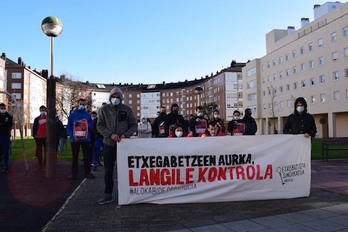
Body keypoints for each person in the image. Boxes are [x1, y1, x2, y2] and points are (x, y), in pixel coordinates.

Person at [97, 86, 137, 205]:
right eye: (113, 97)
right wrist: (110, 134)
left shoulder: (127, 109)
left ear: (121, 98)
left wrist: (126, 135)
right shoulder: (103, 110)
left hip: (123, 146)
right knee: (108, 171)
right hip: (108, 145)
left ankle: (125, 193)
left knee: (124, 171)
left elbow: (133, 125)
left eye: (118, 97)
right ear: (110, 97)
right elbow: (99, 125)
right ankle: (108, 194)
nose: (115, 99)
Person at [67, 98, 95, 180]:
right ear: (77, 104)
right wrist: (72, 137)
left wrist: (86, 124)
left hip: (85, 139)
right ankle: (74, 174)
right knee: (75, 157)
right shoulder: (72, 115)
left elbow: (91, 126)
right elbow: (69, 127)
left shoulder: (87, 115)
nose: (82, 106)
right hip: (75, 139)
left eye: (83, 104)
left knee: (87, 156)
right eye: (80, 104)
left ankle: (88, 173)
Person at [33, 105, 47, 172]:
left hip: (46, 137)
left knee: (46, 152)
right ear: (39, 111)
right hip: (39, 137)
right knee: (39, 152)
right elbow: (34, 128)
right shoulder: (36, 119)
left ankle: (45, 165)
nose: (42, 111)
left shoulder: (48, 119)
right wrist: (34, 135)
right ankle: (40, 166)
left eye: (44, 110)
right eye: (41, 110)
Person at [0, 103, 13, 174]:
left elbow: (10, 125)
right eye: (1, 108)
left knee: (6, 151)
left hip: (6, 136)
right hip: (0, 135)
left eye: (4, 108)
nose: (3, 109)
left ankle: (6, 166)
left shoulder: (8, 116)